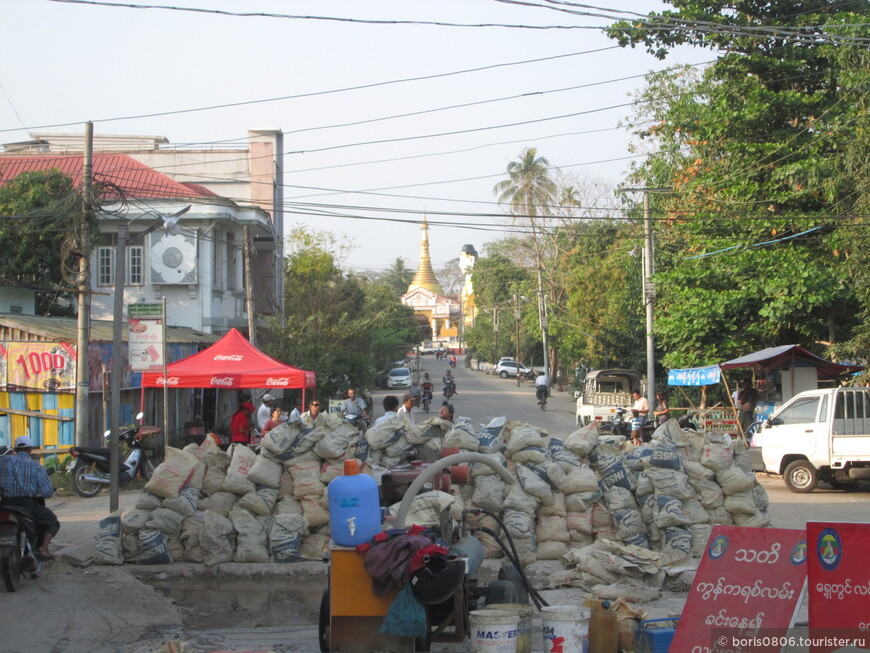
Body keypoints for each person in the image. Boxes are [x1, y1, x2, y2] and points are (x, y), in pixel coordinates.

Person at [0, 436, 60, 560]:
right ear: (30, 449)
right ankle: (43, 549)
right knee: (52, 521)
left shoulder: (2, 461)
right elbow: (47, 493)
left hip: (5, 504)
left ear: (15, 449)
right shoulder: (35, 466)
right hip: (27, 505)